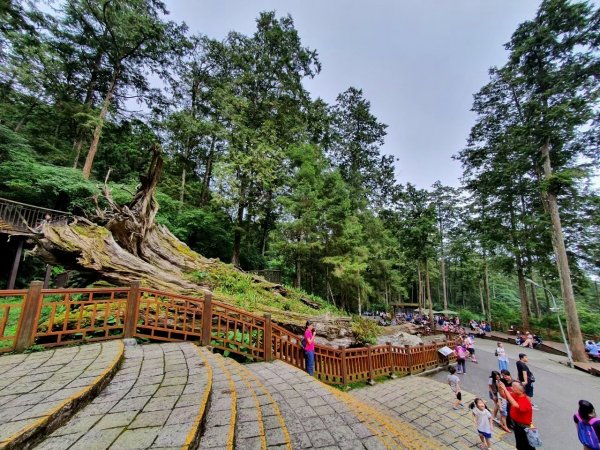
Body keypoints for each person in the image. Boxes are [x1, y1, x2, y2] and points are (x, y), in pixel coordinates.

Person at [498, 381, 535, 450]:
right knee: (519, 445)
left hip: (524, 428)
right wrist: (500, 388)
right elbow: (503, 395)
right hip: (517, 425)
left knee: (528, 446)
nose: (511, 388)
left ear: (520, 390)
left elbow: (515, 405)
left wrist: (505, 390)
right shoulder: (516, 395)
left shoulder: (525, 400)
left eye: (513, 387)